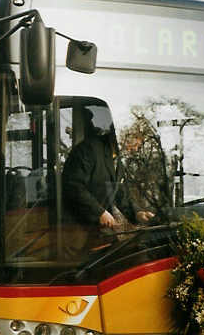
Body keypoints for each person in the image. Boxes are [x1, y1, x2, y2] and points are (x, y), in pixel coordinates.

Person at [62, 102, 153, 245]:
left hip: (96, 231)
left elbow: (120, 193)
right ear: (122, 135)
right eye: (135, 143)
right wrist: (99, 212)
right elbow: (73, 186)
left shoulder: (118, 160)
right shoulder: (88, 150)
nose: (135, 149)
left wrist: (137, 212)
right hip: (74, 230)